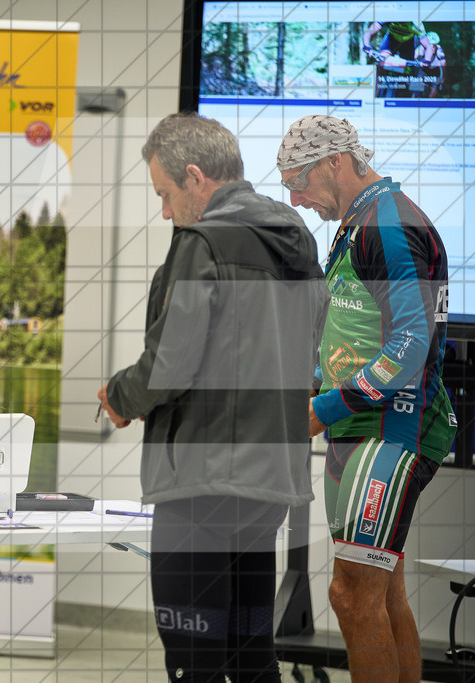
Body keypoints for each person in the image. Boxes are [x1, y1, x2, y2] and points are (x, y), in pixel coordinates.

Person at [96, 113, 326, 682]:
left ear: (195, 177)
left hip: (201, 485)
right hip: (270, 484)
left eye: (167, 195)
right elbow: (313, 349)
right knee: (251, 660)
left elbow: (171, 362)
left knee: (191, 662)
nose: (167, 211)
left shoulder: (202, 244)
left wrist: (121, 395)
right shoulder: (297, 238)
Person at [277, 115, 455, 683]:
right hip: (361, 427)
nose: (296, 198)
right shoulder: (358, 220)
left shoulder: (391, 223)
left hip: (395, 425)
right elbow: (351, 332)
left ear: (336, 161)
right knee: (380, 590)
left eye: (299, 183)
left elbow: (409, 346)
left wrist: (321, 409)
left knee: (350, 596)